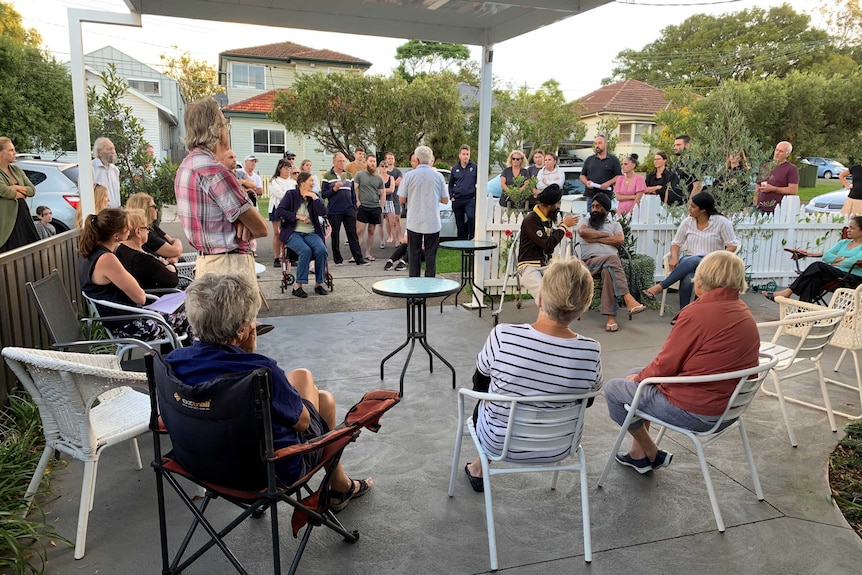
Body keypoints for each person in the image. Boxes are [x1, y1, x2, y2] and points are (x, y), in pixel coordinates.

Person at [165, 272, 372, 505]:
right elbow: (303, 423)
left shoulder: (173, 362)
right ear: (242, 330)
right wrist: (249, 356)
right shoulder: (261, 372)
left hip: (199, 465)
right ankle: (339, 487)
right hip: (270, 473)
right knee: (314, 389)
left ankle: (340, 485)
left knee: (318, 395)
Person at [604, 251, 759, 474]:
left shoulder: (699, 313)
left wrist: (638, 380)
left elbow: (665, 366)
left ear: (703, 277)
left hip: (699, 411)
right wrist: (639, 377)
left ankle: (651, 450)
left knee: (615, 390)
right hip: (729, 407)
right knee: (636, 374)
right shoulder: (743, 311)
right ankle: (639, 456)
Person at [463, 258, 603, 491]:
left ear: (539, 297)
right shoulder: (591, 351)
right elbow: (586, 401)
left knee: (490, 400)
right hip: (559, 445)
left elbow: (480, 384)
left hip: (500, 442)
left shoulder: (503, 336)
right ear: (583, 310)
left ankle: (478, 468)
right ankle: (479, 467)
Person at [174, 97, 268, 285]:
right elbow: (260, 228)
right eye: (226, 125)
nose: (227, 130)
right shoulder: (215, 171)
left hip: (205, 264)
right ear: (217, 130)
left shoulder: (186, 166)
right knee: (237, 315)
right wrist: (245, 220)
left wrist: (242, 218)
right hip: (229, 269)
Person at [78, 207, 189, 340]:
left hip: (124, 319)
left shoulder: (89, 254)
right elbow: (140, 297)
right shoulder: (107, 259)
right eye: (127, 226)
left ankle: (185, 356)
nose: (131, 227)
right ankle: (200, 357)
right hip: (129, 325)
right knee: (194, 313)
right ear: (116, 235)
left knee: (189, 309)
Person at [642, 192, 739, 312]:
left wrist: (718, 259)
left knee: (689, 277)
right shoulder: (688, 222)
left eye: (693, 206)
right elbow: (676, 243)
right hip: (688, 261)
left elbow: (732, 245)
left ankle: (663, 289)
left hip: (711, 264)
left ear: (703, 209)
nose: (690, 209)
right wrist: (674, 258)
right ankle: (686, 313)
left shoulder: (722, 222)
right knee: (693, 261)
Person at [578, 193, 646, 332]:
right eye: (593, 206)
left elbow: (619, 240)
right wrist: (607, 236)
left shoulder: (615, 225)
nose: (594, 209)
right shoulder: (585, 221)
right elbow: (583, 232)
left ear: (607, 209)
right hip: (589, 263)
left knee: (608, 270)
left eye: (598, 206)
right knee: (613, 258)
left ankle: (611, 319)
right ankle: (628, 298)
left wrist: (595, 238)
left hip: (608, 266)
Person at [765, 215, 862, 303]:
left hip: (852, 278)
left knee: (818, 266)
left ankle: (788, 292)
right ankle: (802, 316)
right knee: (813, 278)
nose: (848, 230)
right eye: (848, 227)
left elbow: (854, 261)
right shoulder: (843, 242)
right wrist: (843, 259)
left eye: (852, 228)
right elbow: (826, 256)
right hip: (835, 275)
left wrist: (837, 262)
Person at [516, 184, 579, 304]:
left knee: (562, 292)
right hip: (529, 266)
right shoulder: (531, 220)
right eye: (558, 204)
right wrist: (564, 225)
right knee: (544, 298)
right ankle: (547, 321)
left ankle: (559, 319)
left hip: (545, 265)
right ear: (550, 205)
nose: (559, 207)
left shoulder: (546, 219)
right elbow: (548, 244)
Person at [398, 145, 449, 277]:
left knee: (414, 255)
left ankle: (414, 288)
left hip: (414, 221)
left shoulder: (409, 175)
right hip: (432, 221)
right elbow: (445, 200)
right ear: (430, 159)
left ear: (417, 159)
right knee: (431, 256)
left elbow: (402, 199)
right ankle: (429, 285)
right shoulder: (438, 177)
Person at [276, 172, 329, 298]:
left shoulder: (314, 196)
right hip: (293, 232)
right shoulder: (291, 195)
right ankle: (298, 286)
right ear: (302, 183)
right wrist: (297, 216)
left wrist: (315, 198)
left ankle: (319, 283)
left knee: (321, 250)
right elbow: (280, 211)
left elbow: (324, 212)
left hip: (311, 232)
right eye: (310, 181)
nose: (313, 183)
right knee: (305, 251)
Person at [322, 152, 367, 266]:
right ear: (334, 162)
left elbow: (352, 192)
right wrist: (334, 189)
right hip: (334, 210)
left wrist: (353, 204)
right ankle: (338, 260)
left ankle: (358, 259)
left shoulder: (349, 175)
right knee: (335, 235)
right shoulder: (327, 176)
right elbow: (324, 194)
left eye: (343, 161)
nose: (342, 163)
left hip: (348, 209)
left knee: (352, 234)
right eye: (339, 161)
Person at [116, 208, 179, 290]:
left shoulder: (120, 250)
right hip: (155, 299)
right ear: (138, 231)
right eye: (146, 228)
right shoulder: (140, 259)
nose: (148, 231)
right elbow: (172, 281)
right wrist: (171, 266)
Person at [0, 137, 39, 252]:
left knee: (29, 250)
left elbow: (32, 190)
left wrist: (16, 187)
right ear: (1, 153)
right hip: (7, 221)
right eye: (11, 150)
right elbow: (6, 192)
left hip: (23, 217)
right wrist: (22, 192)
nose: (14, 153)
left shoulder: (16, 170)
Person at [126, 192, 183, 262]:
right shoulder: (146, 235)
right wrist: (178, 243)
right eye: (154, 207)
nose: (157, 210)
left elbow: (171, 241)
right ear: (144, 209)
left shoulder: (152, 227)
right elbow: (176, 250)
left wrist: (176, 255)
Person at [353, 155, 385, 261]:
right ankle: (356, 254)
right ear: (366, 162)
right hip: (363, 207)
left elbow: (383, 193)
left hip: (375, 207)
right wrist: (357, 200)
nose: (372, 163)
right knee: (359, 231)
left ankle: (367, 253)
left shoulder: (379, 178)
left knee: (371, 231)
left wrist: (381, 207)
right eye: (371, 161)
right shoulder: (360, 175)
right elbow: (354, 188)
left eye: (374, 161)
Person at [755, 141, 799, 213]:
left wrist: (773, 189)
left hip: (778, 209)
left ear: (787, 154)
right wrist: (755, 204)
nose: (777, 153)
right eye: (776, 150)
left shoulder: (791, 169)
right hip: (760, 208)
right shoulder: (765, 166)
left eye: (781, 151)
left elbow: (793, 190)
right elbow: (757, 187)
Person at [268, 159, 296, 266]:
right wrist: (290, 197)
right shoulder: (274, 181)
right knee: (277, 233)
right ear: (280, 168)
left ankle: (291, 256)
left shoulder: (293, 182)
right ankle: (276, 257)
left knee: (291, 232)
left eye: (289, 168)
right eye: (285, 168)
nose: (287, 170)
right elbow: (279, 194)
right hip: (277, 209)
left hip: (290, 209)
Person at [579, 134, 621, 204]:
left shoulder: (613, 160)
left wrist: (608, 183)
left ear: (606, 144)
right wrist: (586, 182)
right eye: (595, 144)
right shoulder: (589, 159)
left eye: (599, 143)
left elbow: (619, 176)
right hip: (591, 196)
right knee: (591, 214)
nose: (597, 146)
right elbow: (582, 175)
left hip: (606, 196)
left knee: (604, 214)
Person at [449, 144, 478, 240]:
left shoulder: (474, 167)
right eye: (463, 154)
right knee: (459, 223)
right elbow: (451, 185)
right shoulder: (455, 169)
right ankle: (462, 241)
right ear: (460, 155)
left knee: (470, 217)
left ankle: (471, 236)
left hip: (470, 199)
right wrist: (451, 196)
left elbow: (480, 182)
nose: (465, 156)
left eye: (467, 154)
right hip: (457, 199)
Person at [92, 137, 121, 208]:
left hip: (115, 211)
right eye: (109, 149)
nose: (113, 151)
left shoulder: (115, 169)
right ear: (99, 152)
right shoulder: (91, 168)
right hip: (100, 211)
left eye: (113, 148)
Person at [380, 155, 401, 245]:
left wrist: (382, 190)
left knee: (395, 220)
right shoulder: (378, 176)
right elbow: (374, 189)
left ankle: (398, 238)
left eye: (392, 158)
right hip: (380, 201)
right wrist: (385, 190)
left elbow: (394, 186)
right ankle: (387, 238)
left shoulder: (396, 173)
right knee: (383, 222)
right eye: (388, 158)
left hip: (393, 199)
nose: (384, 168)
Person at [672, 134, 702, 200]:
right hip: (670, 206)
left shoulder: (693, 164)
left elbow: (697, 185)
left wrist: (690, 204)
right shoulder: (675, 165)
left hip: (684, 205)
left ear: (687, 146)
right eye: (675, 145)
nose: (675, 147)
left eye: (678, 145)